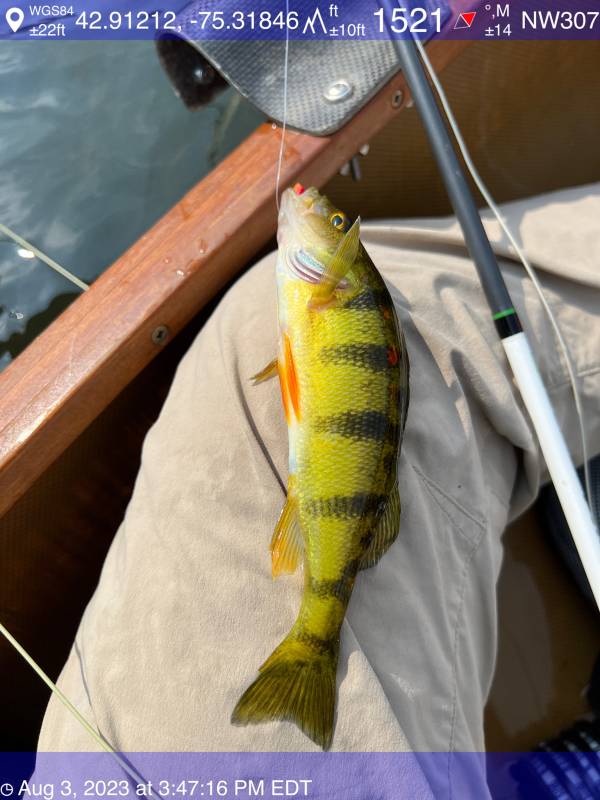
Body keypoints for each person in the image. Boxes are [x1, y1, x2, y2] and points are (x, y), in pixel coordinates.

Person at [37, 183, 600, 797]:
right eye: (334, 220)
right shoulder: (327, 293)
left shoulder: (325, 293)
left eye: (331, 220)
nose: (310, 202)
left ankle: (315, 643)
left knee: (256, 311)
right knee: (271, 312)